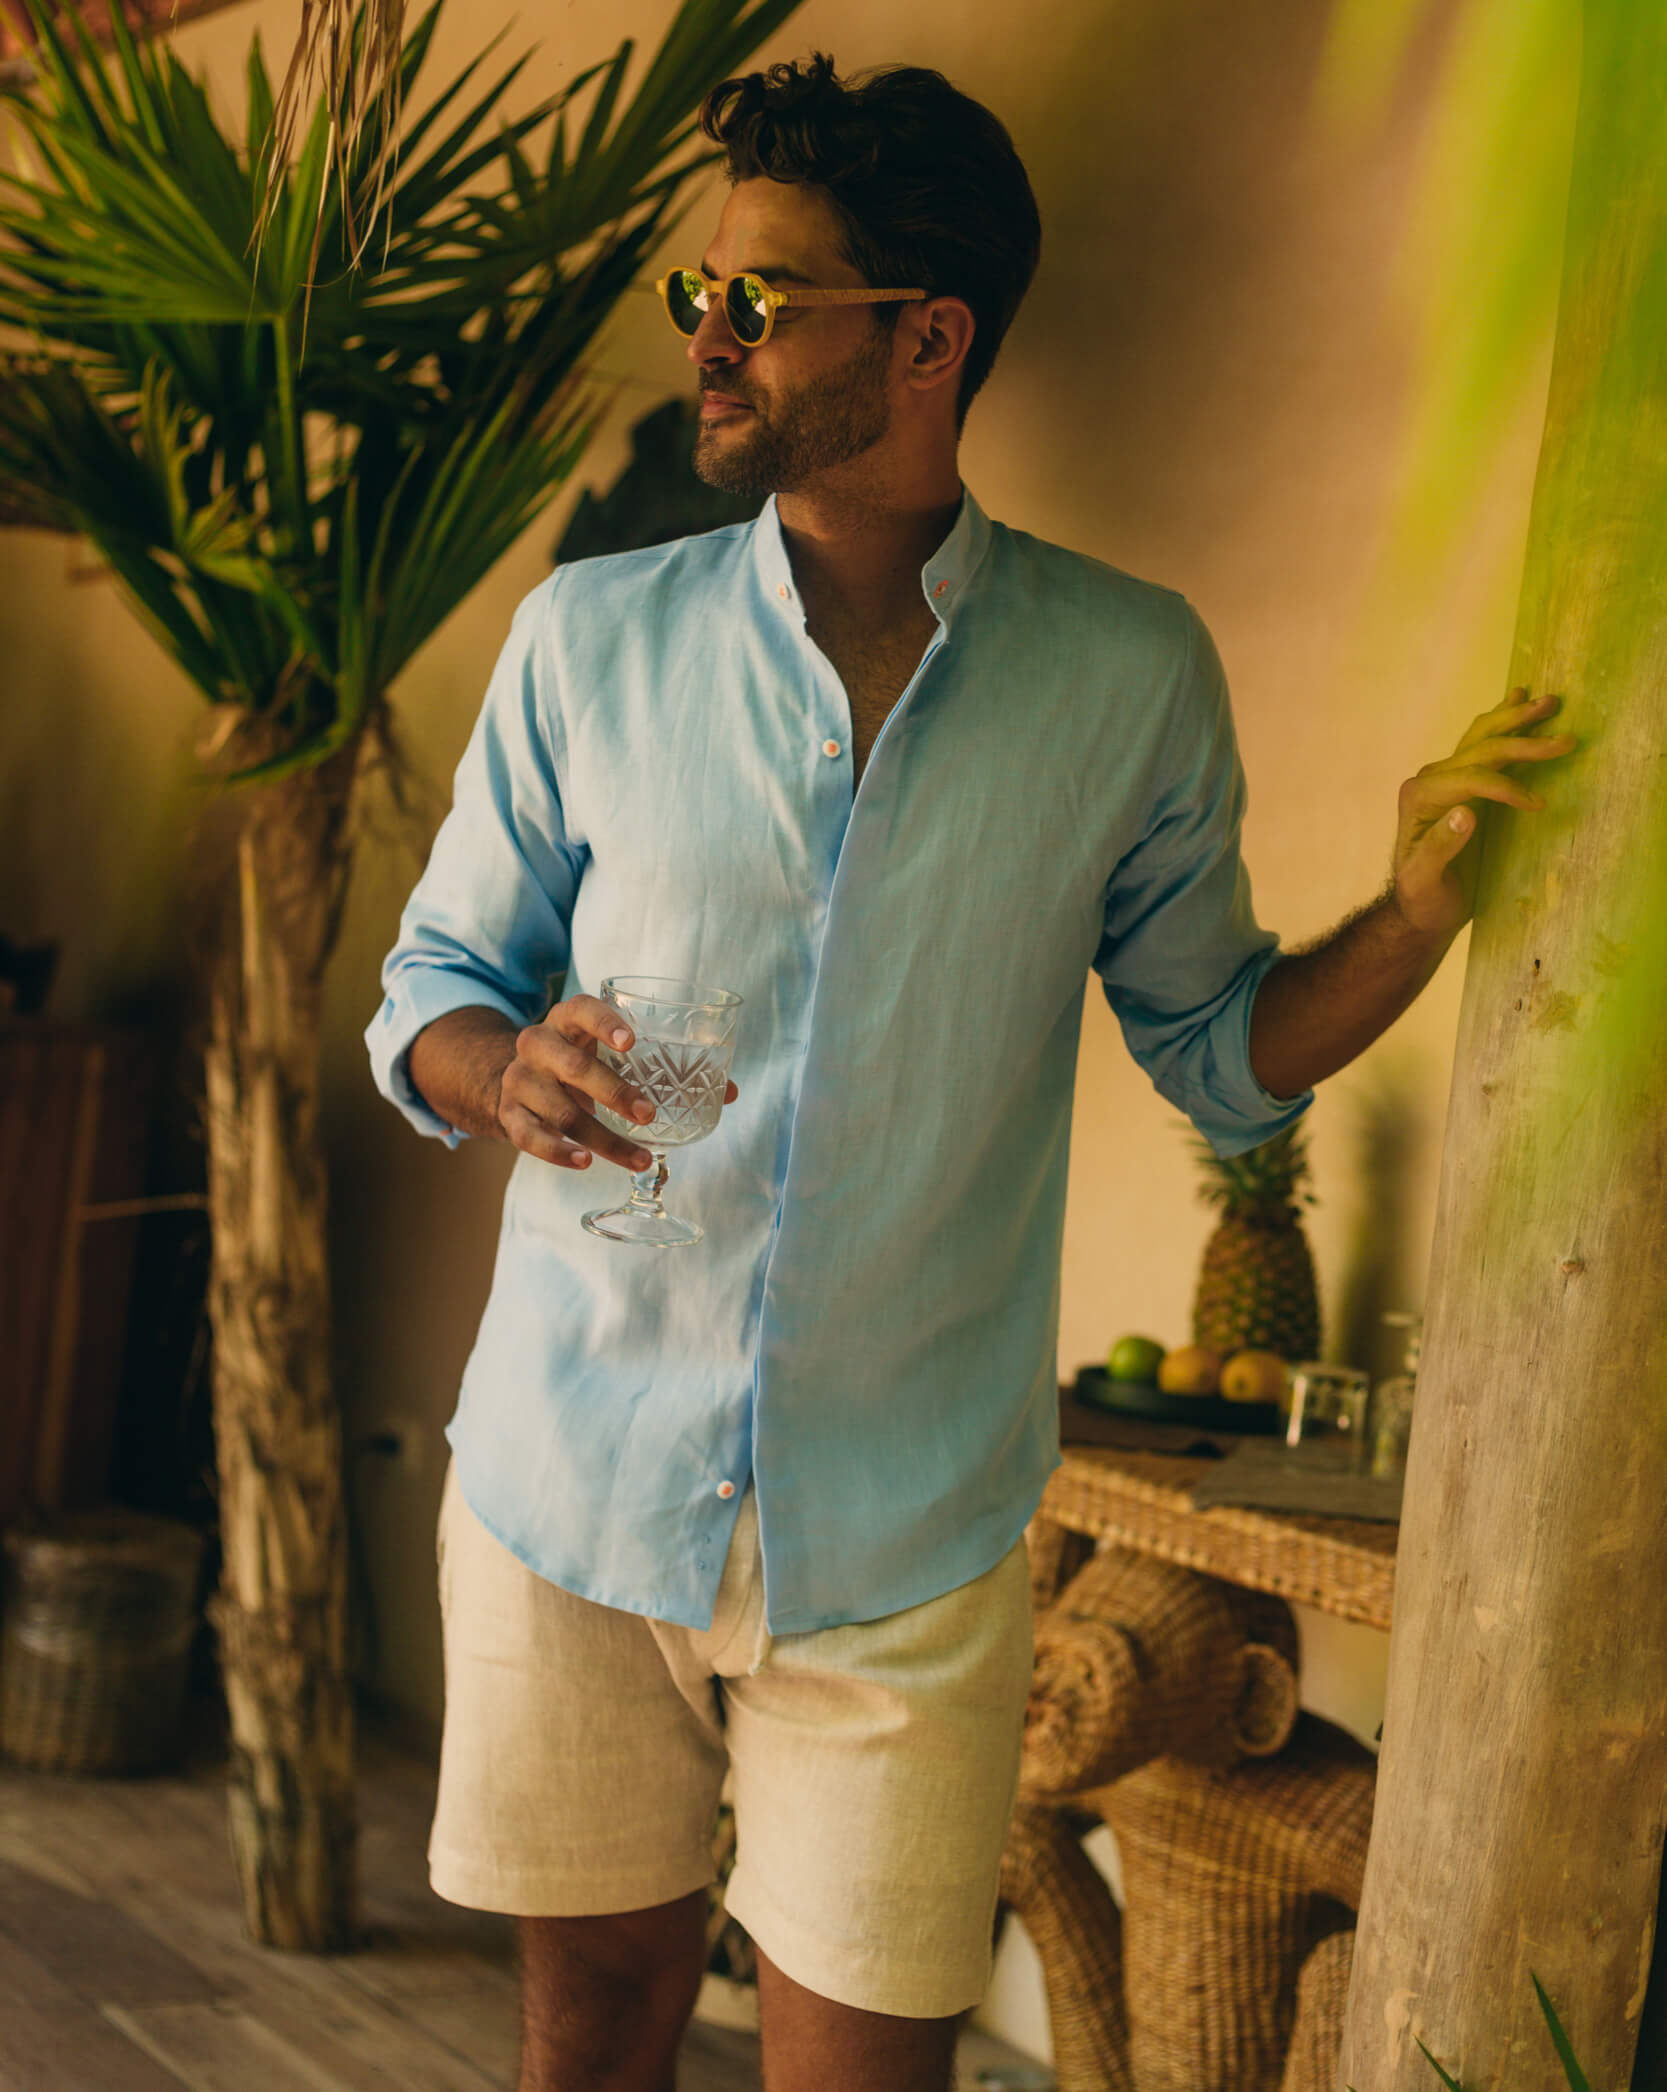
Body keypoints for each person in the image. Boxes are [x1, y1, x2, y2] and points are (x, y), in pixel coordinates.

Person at [365, 51, 1576, 2092]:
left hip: (908, 1541)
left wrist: (1417, 910)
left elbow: (1222, 1051)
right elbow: (435, 983)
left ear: (927, 341)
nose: (709, 337)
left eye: (763, 299)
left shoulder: (1128, 674)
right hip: (577, 1480)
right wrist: (502, 1074)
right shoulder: (592, 638)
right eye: (701, 291)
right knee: (593, 2026)